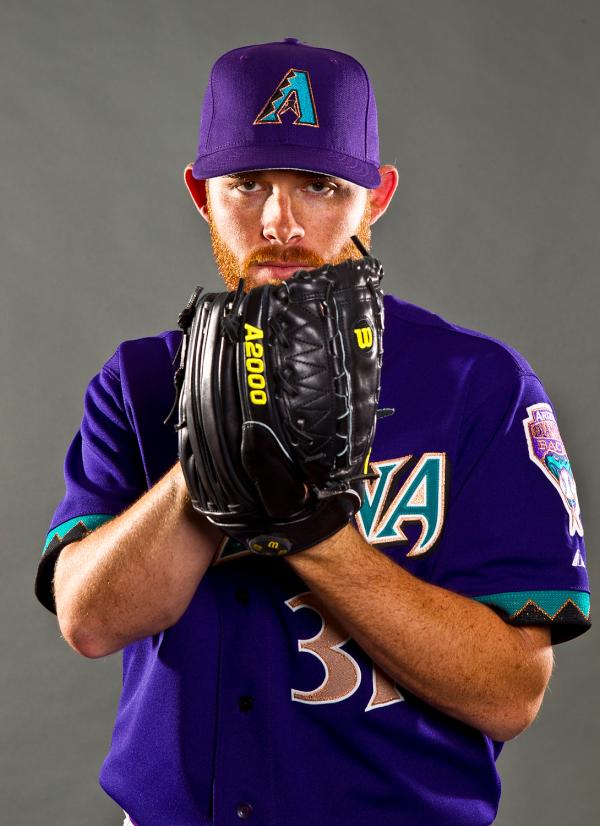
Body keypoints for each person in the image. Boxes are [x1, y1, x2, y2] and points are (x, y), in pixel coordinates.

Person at [34, 38, 591, 826]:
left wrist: (314, 532)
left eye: (322, 187)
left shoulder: (480, 384)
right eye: (248, 183)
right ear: (201, 193)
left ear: (378, 195)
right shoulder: (142, 381)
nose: (279, 222)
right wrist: (212, 464)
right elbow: (90, 621)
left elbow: (509, 694)